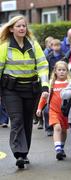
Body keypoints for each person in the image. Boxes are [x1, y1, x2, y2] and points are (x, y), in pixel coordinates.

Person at [0, 15, 49, 169]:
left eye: (24, 26)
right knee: (17, 120)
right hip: (11, 90)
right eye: (18, 26)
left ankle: (24, 152)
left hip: (31, 89)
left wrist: (45, 86)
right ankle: (18, 153)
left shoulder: (33, 45)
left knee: (27, 121)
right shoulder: (4, 47)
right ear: (11, 28)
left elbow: (42, 65)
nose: (22, 28)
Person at [36, 61, 71, 160]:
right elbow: (44, 97)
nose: (61, 72)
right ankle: (58, 150)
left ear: (67, 71)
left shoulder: (70, 83)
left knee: (64, 131)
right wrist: (39, 108)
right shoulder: (52, 83)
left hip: (65, 112)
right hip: (54, 111)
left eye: (64, 70)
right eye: (59, 70)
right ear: (55, 71)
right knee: (57, 128)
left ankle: (61, 147)